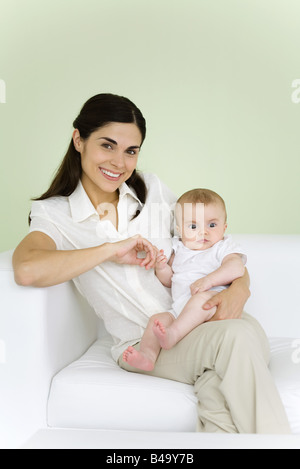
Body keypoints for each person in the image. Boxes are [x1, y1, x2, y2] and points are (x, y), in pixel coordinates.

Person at [12, 93, 291, 434]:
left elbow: (208, 243)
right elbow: (27, 269)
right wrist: (110, 250)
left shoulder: (153, 192)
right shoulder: (54, 214)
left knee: (220, 392)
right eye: (107, 145)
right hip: (149, 345)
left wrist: (241, 289)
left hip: (209, 322)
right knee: (235, 341)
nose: (119, 162)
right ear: (78, 140)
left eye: (131, 150)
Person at [122, 188, 247, 372]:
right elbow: (170, 281)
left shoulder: (222, 247)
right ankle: (148, 356)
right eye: (193, 227)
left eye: (212, 225)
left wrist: (209, 281)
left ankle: (173, 335)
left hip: (213, 304)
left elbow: (237, 267)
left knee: (200, 299)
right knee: (158, 319)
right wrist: (162, 267)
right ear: (180, 231)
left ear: (224, 227)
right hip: (179, 309)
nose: (203, 232)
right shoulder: (179, 250)